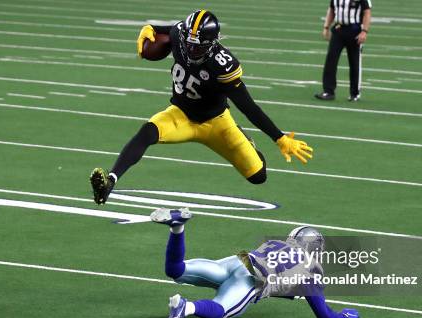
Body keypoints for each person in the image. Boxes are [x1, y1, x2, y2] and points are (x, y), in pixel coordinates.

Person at [90, 10, 313, 205]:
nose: (189, 49)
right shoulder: (181, 36)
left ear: (211, 44)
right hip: (181, 115)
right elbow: (168, 29)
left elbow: (248, 107)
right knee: (147, 132)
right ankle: (111, 181)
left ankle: (248, 142)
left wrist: (279, 138)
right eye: (188, 43)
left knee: (258, 175)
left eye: (196, 48)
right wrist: (148, 28)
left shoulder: (222, 64)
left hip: (217, 123)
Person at [149, 207, 360, 318]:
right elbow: (326, 317)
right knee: (221, 311)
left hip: (236, 262)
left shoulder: (277, 243)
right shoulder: (311, 271)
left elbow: (281, 280)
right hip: (250, 281)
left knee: (176, 270)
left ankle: (177, 228)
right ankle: (186, 307)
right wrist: (346, 316)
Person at [315, 0, 372, 102]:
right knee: (331, 59)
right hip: (338, 29)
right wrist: (326, 27)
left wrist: (364, 31)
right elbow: (332, 9)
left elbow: (367, 12)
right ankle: (328, 91)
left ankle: (355, 93)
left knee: (355, 62)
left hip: (355, 30)